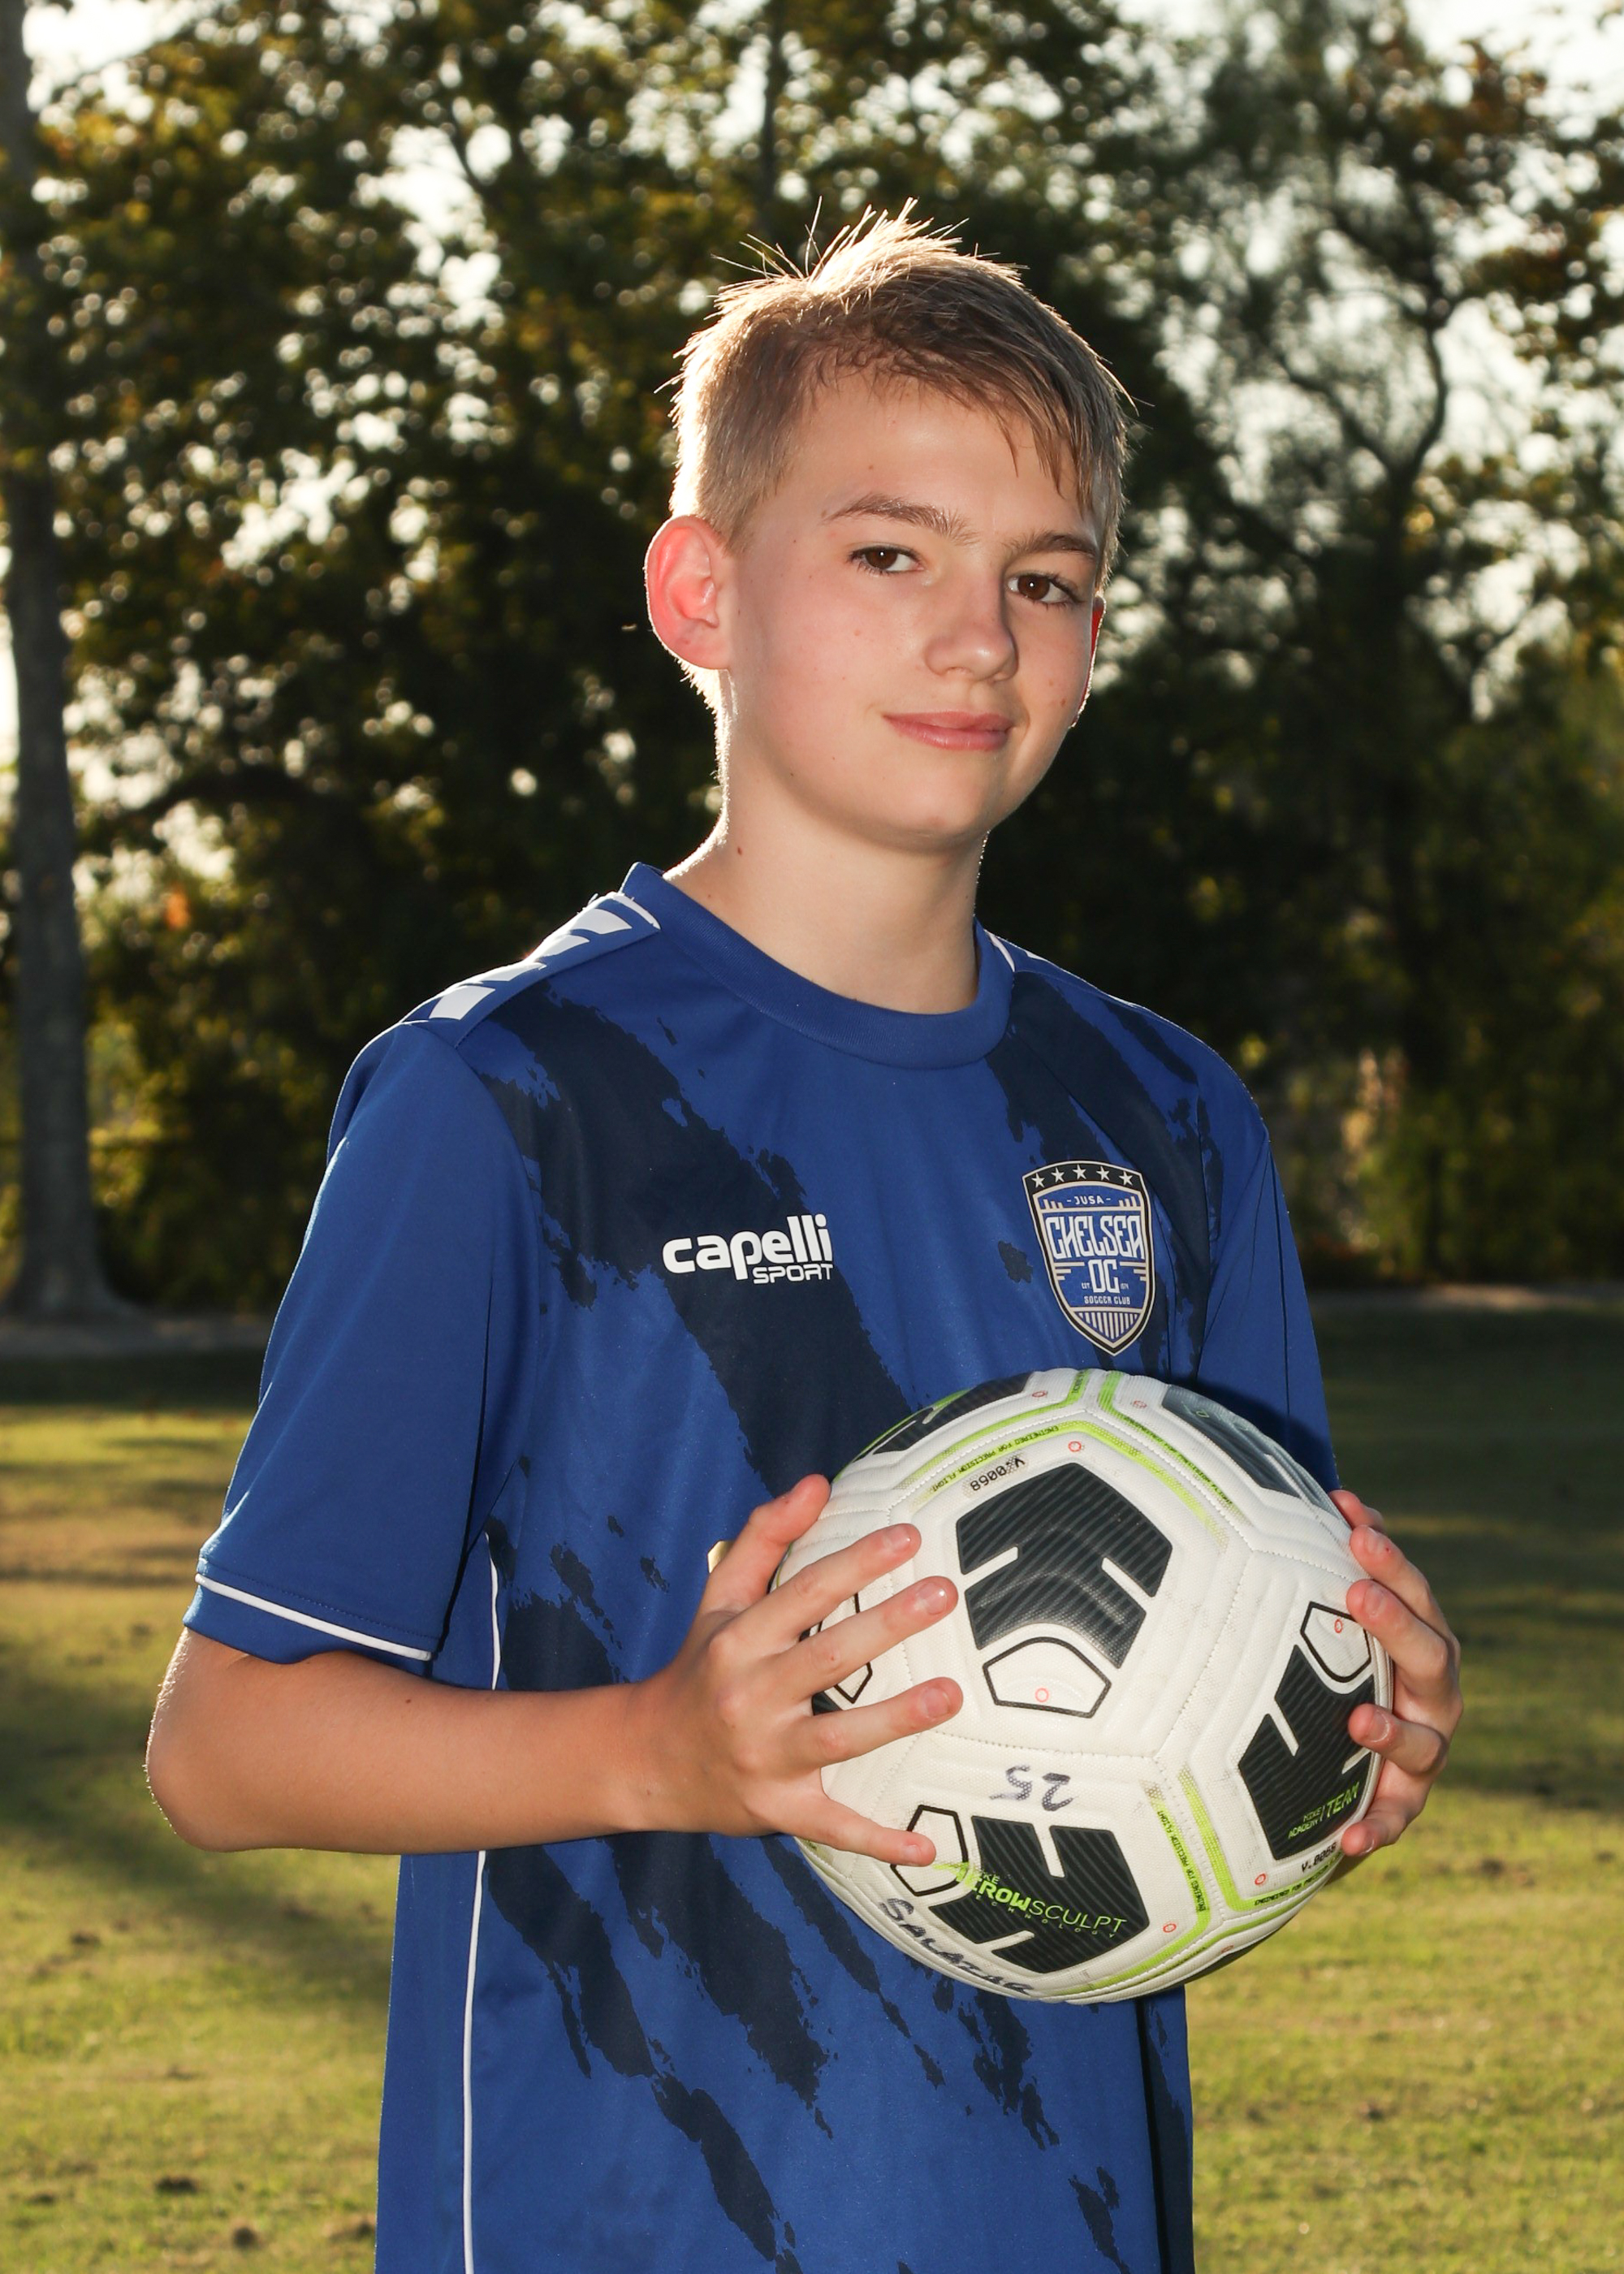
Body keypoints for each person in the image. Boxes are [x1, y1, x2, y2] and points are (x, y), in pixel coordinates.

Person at [147, 212, 1462, 2274]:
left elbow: (1196, 1731)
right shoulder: (509, 1098)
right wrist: (658, 1746)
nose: (980, 637)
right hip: (620, 2213)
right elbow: (224, 1745)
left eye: (1046, 580)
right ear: (702, 592)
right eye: (890, 554)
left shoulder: (1169, 1117)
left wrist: (1342, 1743)